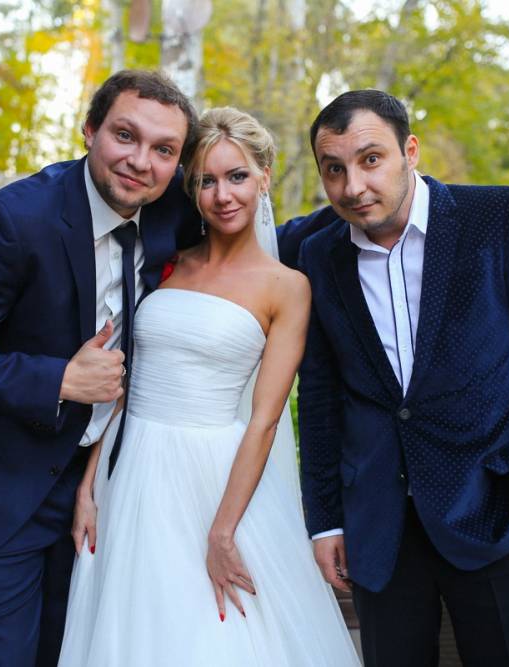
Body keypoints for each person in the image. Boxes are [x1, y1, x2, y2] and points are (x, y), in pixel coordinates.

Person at [285, 89, 509, 666]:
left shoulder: (499, 218)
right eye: (334, 169)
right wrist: (324, 521)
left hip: (496, 508)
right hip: (379, 527)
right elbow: (320, 398)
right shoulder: (318, 254)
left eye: (371, 159)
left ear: (410, 151)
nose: (353, 186)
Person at [0, 70, 201, 665]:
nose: (140, 161)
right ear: (89, 129)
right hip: (3, 494)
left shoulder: (171, 208)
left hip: (106, 492)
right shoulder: (16, 220)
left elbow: (254, 229)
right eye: (125, 135)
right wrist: (60, 379)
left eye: (164, 149)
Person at [58, 107, 360, 667]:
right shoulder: (167, 263)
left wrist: (222, 532)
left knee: (214, 635)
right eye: (205, 181)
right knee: (135, 629)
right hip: (129, 473)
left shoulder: (287, 287)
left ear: (264, 176)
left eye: (237, 176)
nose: (223, 196)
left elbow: (265, 420)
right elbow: (128, 380)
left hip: (214, 478)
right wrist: (89, 485)